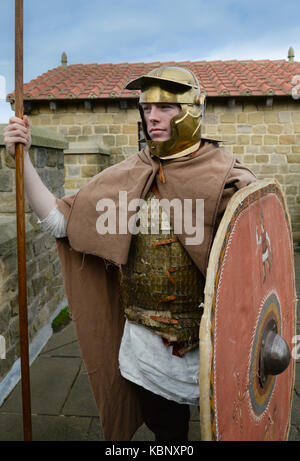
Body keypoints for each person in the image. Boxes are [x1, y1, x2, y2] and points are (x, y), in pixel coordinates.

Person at [3, 66, 256, 441]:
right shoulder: (128, 174)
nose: (152, 116)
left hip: (212, 343)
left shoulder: (228, 176)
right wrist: (21, 160)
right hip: (146, 346)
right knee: (166, 433)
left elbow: (256, 260)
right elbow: (61, 222)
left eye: (166, 107)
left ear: (193, 109)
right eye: (146, 107)